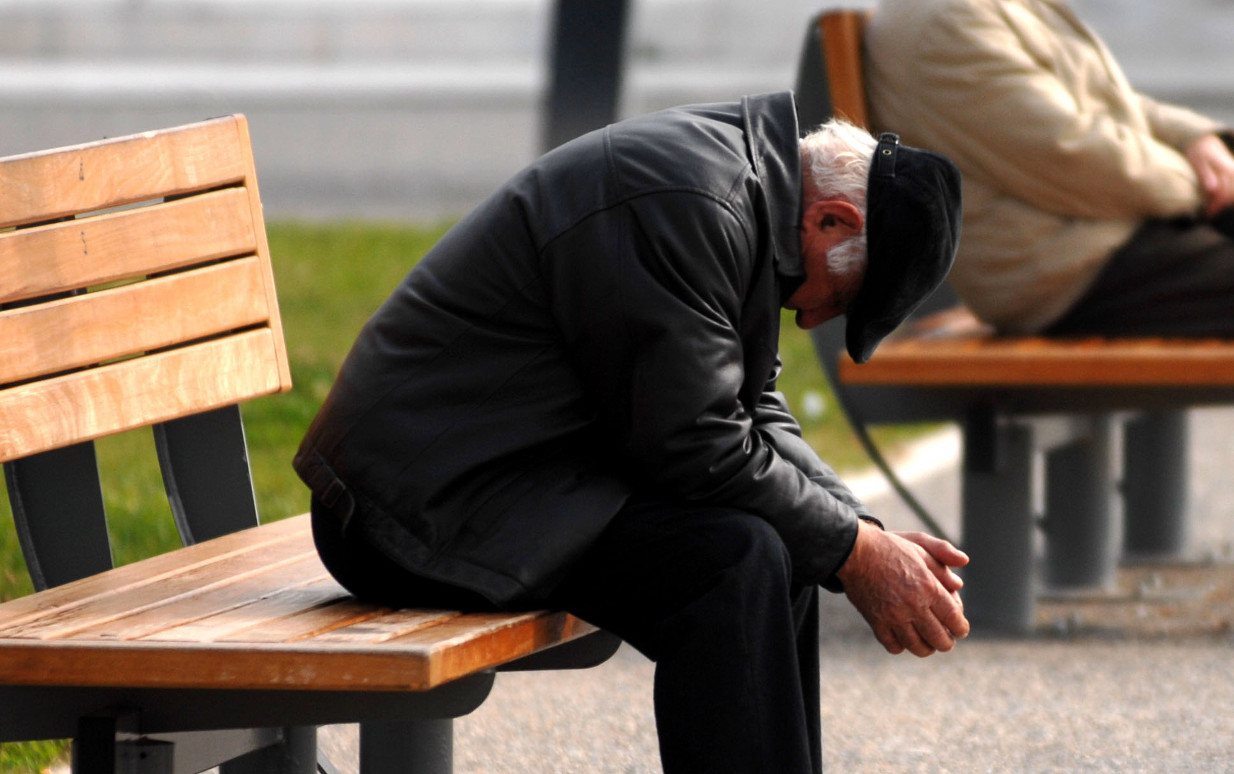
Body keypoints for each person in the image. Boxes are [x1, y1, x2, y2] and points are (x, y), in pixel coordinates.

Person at [294, 91, 968, 773]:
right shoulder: (693, 206)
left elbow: (749, 404)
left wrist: (859, 532)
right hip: (408, 509)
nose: (815, 319)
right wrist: (854, 550)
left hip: (508, 478)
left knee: (783, 543)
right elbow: (695, 445)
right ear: (830, 219)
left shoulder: (743, 187)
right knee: (734, 558)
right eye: (843, 298)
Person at [864, 0, 1234, 336]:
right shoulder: (947, 24)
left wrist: (1194, 139)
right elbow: (1075, 157)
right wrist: (1206, 185)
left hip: (1098, 235)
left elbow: (1108, 101)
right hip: (1066, 271)